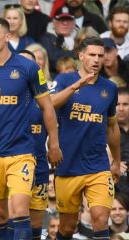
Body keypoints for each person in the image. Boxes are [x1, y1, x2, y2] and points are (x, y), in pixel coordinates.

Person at [0, 17, 62, 240]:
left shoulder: (27, 67)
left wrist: (53, 143)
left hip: (21, 152)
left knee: (19, 210)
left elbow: (47, 107)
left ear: (7, 37)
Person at [50, 36, 120, 239]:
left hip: (97, 165)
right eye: (92, 55)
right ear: (81, 56)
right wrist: (76, 86)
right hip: (68, 164)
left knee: (100, 218)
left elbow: (112, 126)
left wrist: (115, 160)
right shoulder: (64, 80)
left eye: (100, 55)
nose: (97, 60)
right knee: (67, 227)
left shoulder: (110, 88)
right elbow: (50, 103)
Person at [18, 49, 50, 240]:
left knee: (37, 226)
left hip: (40, 168)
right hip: (11, 167)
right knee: (13, 220)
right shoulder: (3, 98)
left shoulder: (45, 99)